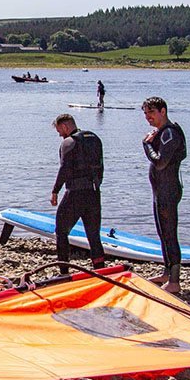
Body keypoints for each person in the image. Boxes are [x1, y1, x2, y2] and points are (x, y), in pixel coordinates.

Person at [142, 97, 187, 294]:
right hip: (160, 190)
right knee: (162, 233)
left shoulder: (169, 133)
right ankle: (167, 273)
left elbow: (160, 162)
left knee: (169, 233)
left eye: (151, 113)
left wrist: (147, 145)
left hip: (169, 191)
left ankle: (175, 282)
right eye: (145, 113)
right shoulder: (162, 132)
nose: (148, 117)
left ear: (163, 111)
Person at [50, 114, 105, 275]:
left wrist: (55, 191)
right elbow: (101, 167)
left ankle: (64, 271)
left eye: (60, 130)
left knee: (61, 231)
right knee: (94, 235)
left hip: (75, 193)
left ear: (65, 127)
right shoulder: (95, 138)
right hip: (94, 192)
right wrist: (96, 184)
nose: (60, 134)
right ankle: (100, 271)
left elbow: (64, 169)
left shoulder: (68, 143)